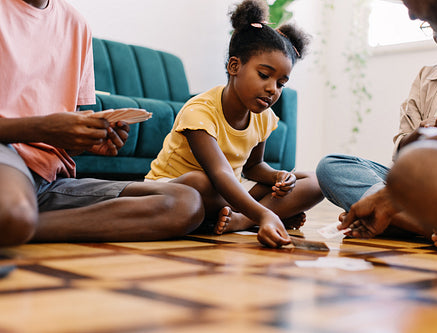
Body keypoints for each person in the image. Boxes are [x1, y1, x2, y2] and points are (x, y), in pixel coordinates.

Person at [0, 0, 205, 247]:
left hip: (48, 180)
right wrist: (43, 129)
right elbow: (47, 127)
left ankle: (20, 225)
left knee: (185, 203)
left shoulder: (77, 24)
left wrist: (85, 140)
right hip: (6, 153)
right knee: (11, 212)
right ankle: (14, 220)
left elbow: (63, 135)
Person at [339, 0, 437, 288]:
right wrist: (425, 136)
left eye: (408, 1)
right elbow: (403, 155)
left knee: (417, 166)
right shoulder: (430, 75)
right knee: (336, 167)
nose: (412, 15)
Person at [145, 0, 324, 248]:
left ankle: (240, 220)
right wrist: (265, 212)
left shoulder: (264, 116)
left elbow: (253, 167)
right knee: (202, 182)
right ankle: (262, 215)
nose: (272, 89)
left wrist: (278, 177)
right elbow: (219, 173)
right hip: (176, 189)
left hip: (227, 192)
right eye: (264, 75)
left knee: (316, 180)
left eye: (281, 83)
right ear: (234, 66)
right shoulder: (199, 111)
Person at [316, 31, 437, 248]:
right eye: (427, 25)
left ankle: (399, 221)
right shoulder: (428, 77)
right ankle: (434, 227)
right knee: (331, 167)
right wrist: (419, 134)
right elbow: (402, 156)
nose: (436, 35)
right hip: (420, 189)